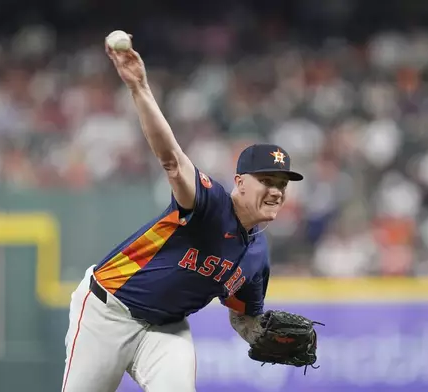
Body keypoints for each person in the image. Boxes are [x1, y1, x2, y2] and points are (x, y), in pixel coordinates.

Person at [61, 34, 304, 392]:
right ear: (239, 182)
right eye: (266, 180)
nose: (275, 191)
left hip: (167, 328)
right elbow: (172, 161)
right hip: (107, 310)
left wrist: (257, 334)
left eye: (281, 185)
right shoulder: (210, 203)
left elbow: (243, 314)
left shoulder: (257, 256)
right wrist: (140, 87)